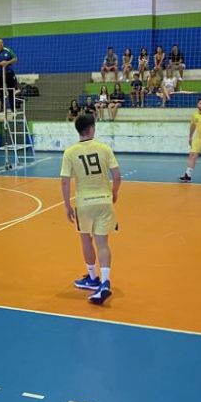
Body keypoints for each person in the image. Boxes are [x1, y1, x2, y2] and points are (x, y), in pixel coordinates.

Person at [60, 114, 121, 305]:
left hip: (84, 203)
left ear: (78, 130)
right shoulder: (104, 148)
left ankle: (92, 277)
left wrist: (67, 205)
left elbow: (64, 181)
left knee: (86, 240)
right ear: (92, 129)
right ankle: (105, 282)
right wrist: (114, 193)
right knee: (102, 243)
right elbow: (117, 176)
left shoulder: (70, 152)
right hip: (104, 201)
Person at [0, 37, 18, 113]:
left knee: (11, 90)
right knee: (1, 91)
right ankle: (2, 108)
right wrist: (0, 64)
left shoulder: (8, 50)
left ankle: (13, 108)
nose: (1, 44)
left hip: (9, 73)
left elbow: (15, 59)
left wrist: (7, 62)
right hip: (0, 74)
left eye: (2, 42)